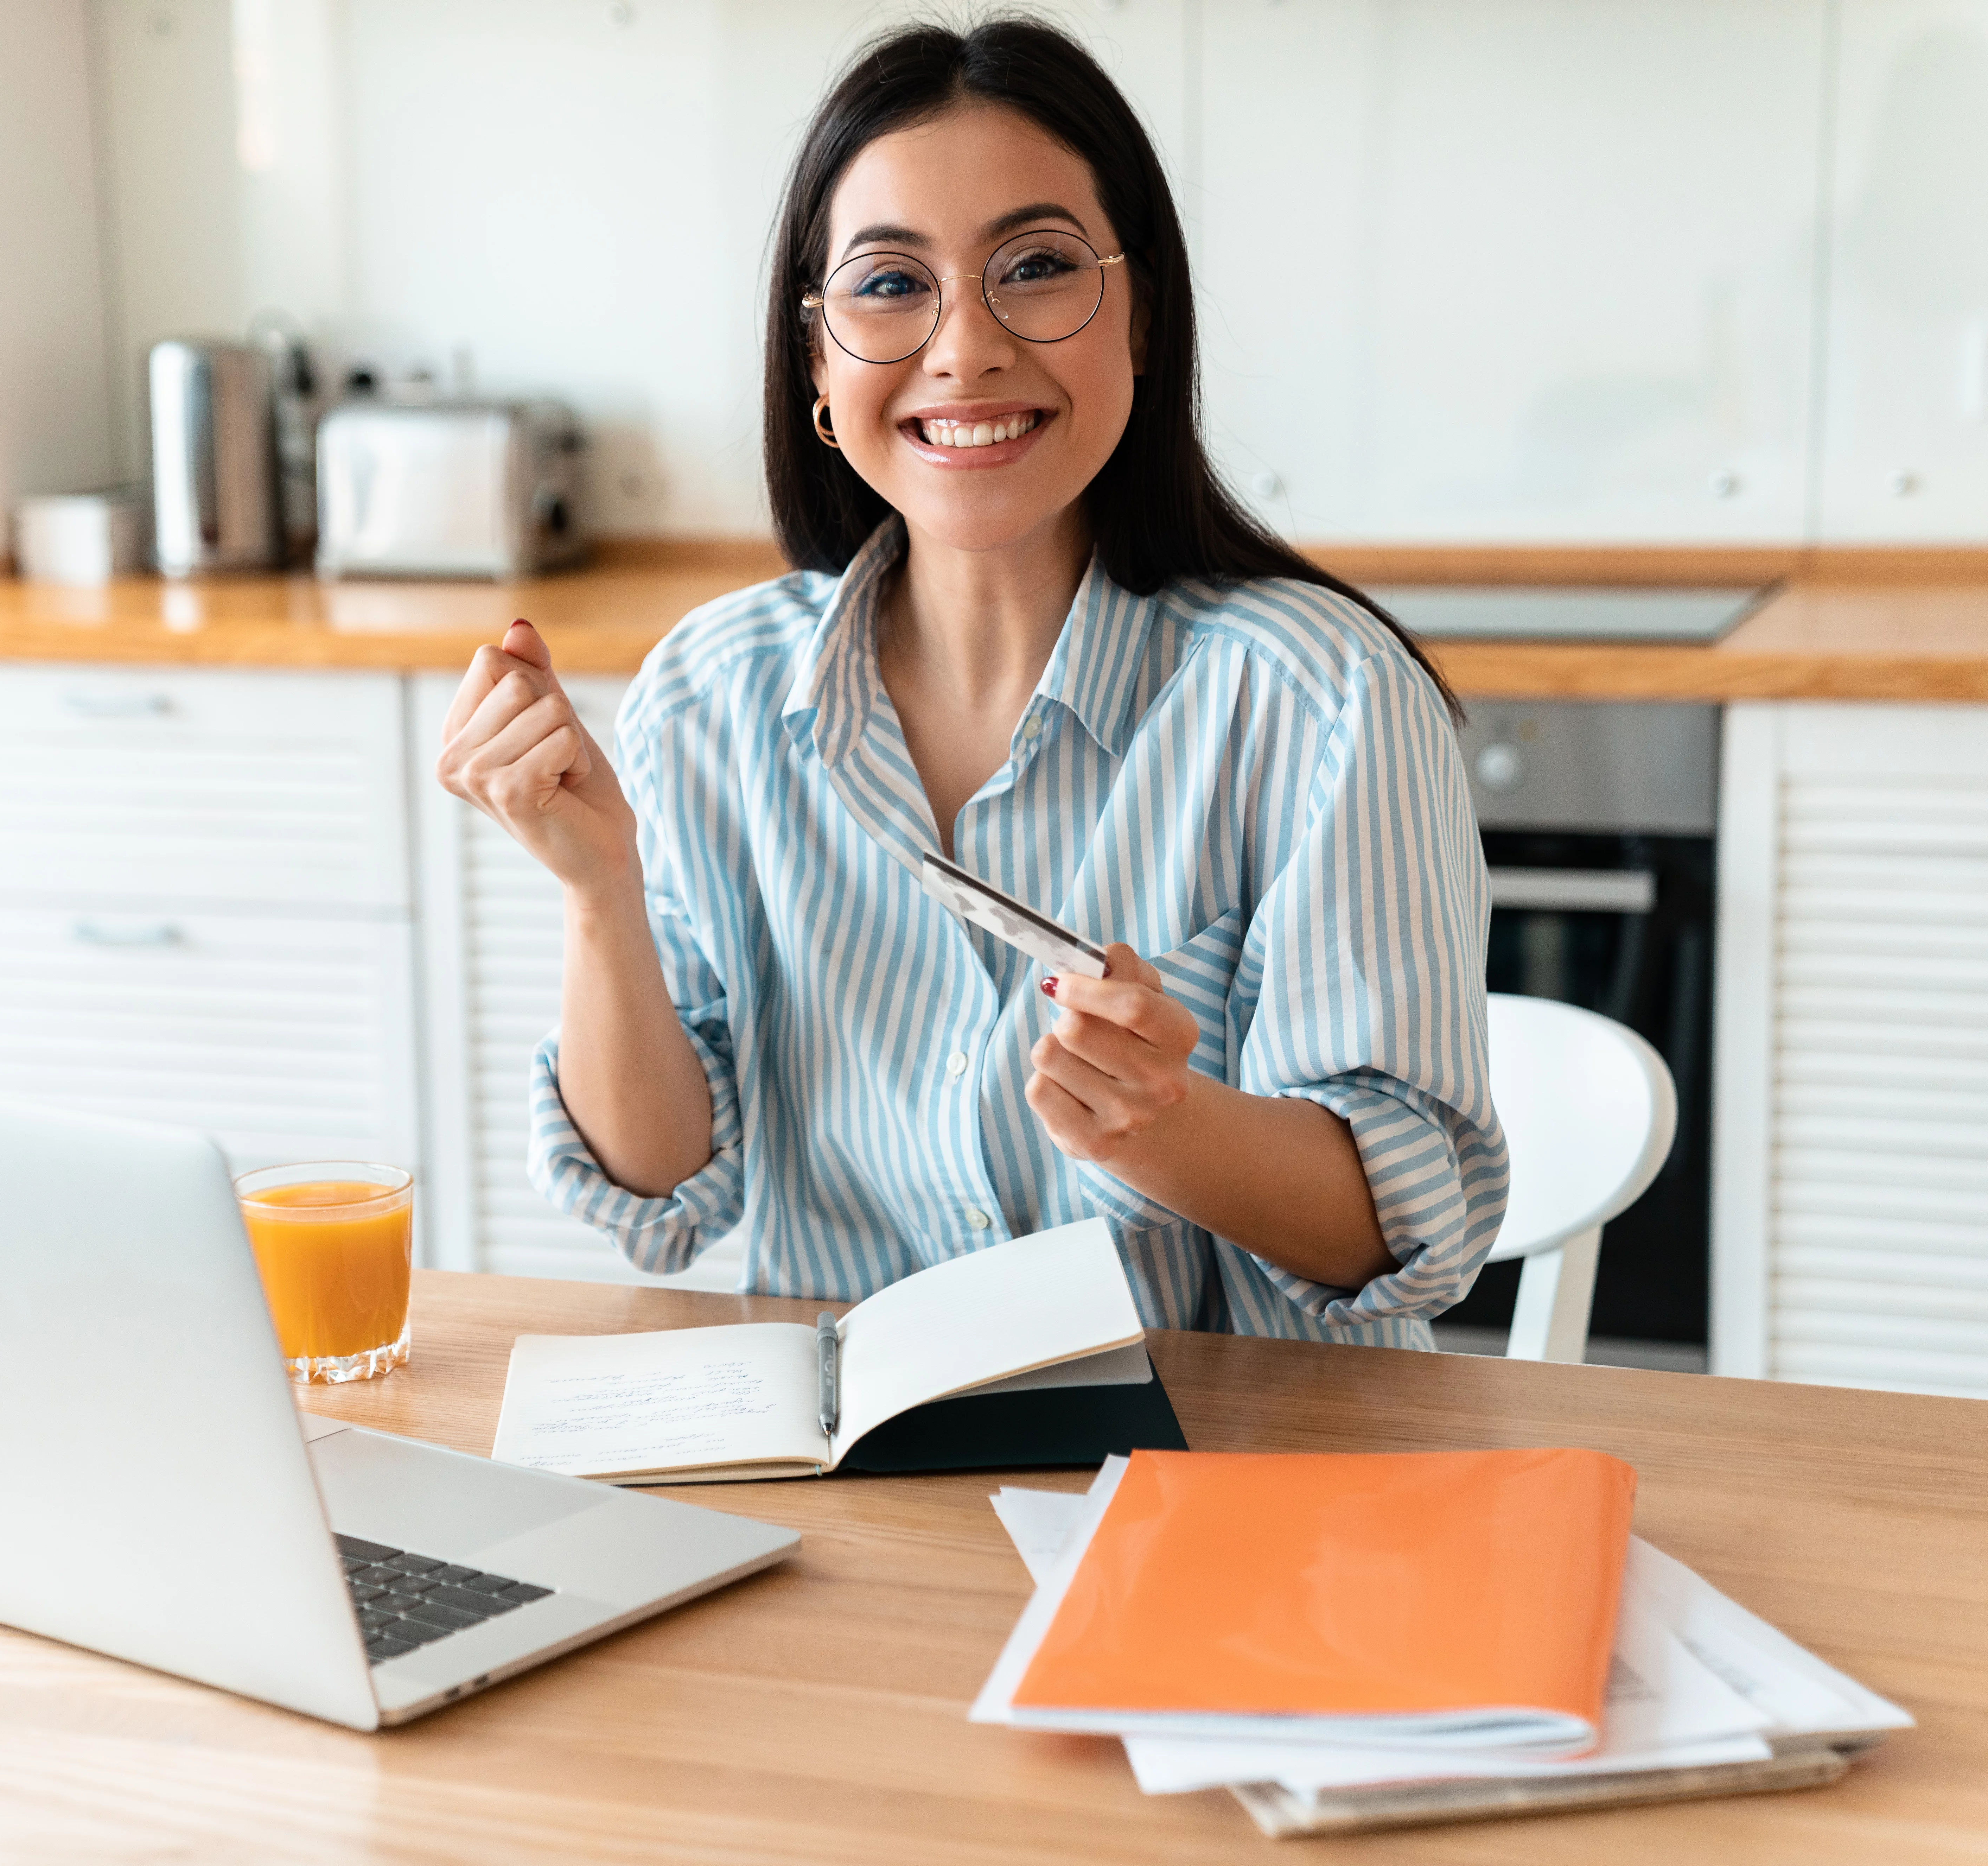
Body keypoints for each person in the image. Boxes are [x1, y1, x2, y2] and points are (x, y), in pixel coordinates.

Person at [435, 17, 1504, 1345]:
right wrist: (599, 895)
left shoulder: (1320, 700)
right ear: (819, 363)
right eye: (891, 286)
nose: (967, 350)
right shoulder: (709, 697)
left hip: (1225, 1490)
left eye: (1038, 268)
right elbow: (659, 1198)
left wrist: (1172, 1127)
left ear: (1145, 318)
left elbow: (1413, 1235)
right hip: (866, 1500)